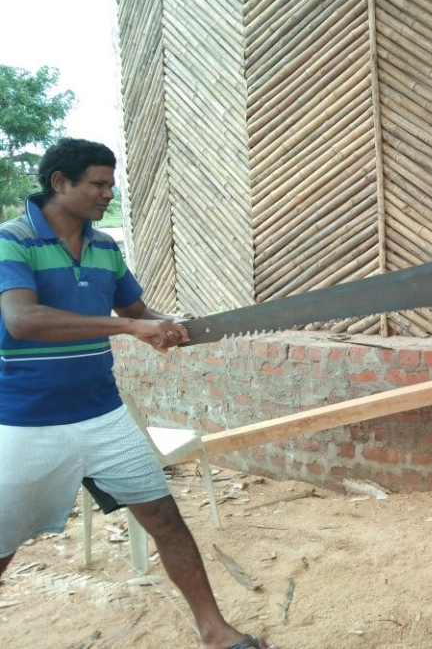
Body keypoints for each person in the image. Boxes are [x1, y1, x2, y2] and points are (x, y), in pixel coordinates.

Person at [0, 139, 270, 649]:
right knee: (2, 544)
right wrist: (128, 331)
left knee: (166, 521)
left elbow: (136, 312)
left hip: (103, 416)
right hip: (26, 421)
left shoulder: (105, 248)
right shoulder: (12, 240)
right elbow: (22, 320)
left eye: (110, 182)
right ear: (61, 183)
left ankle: (215, 631)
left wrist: (170, 325)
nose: (109, 192)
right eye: (98, 183)